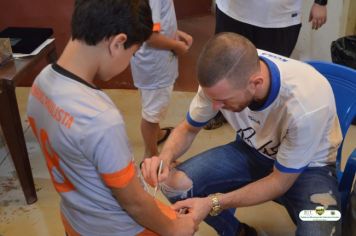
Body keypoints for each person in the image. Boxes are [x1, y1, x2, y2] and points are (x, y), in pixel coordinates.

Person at [141, 32, 342, 236]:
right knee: (172, 184)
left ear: (255, 83)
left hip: (309, 170)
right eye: (213, 99)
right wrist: (164, 159)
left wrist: (213, 203)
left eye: (223, 100)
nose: (216, 107)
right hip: (253, 151)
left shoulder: (305, 106)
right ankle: (238, 232)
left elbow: (279, 182)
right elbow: (188, 128)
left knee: (322, 228)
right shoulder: (220, 79)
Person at [26, 0, 197, 235]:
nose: (129, 62)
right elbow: (134, 203)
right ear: (118, 43)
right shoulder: (100, 117)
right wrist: (174, 228)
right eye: (133, 54)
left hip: (74, 220)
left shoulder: (40, 84)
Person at [205, 0, 328, 130]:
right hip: (232, 11)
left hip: (279, 17)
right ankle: (222, 111)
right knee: (225, 66)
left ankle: (260, 124)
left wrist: (320, 3)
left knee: (266, 79)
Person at [130, 0, 193, 159]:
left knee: (153, 106)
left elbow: (157, 22)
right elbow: (150, 36)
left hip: (151, 63)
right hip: (155, 67)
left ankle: (156, 134)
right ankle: (151, 154)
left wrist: (176, 33)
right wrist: (176, 45)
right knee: (151, 114)